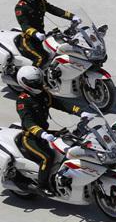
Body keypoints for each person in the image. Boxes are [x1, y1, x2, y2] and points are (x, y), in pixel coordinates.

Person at [15, 67, 94, 195]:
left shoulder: (42, 94)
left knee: (71, 142)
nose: (39, 84)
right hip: (31, 138)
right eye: (35, 82)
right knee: (47, 157)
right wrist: (43, 134)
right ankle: (42, 186)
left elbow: (61, 104)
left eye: (39, 81)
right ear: (26, 83)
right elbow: (28, 122)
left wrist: (80, 112)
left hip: (46, 133)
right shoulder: (23, 100)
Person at [14, 0, 79, 68]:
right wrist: (35, 33)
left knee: (57, 52)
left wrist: (72, 16)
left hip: (42, 37)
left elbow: (52, 8)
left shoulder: (38, 0)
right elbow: (24, 25)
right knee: (41, 58)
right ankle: (35, 80)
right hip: (29, 40)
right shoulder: (20, 7)